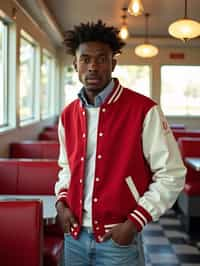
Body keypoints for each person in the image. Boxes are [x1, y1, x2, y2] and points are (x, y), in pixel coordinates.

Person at [55, 20, 186, 266]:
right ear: (75, 65)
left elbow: (172, 174)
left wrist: (134, 223)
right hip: (73, 238)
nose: (93, 66)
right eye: (85, 59)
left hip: (118, 240)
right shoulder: (67, 115)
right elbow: (66, 168)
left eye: (101, 59)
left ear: (113, 64)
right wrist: (62, 205)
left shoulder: (144, 110)